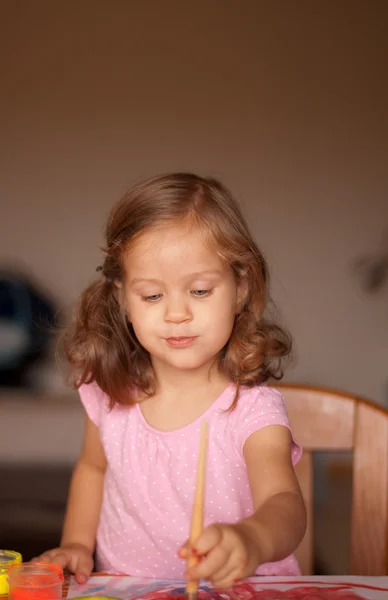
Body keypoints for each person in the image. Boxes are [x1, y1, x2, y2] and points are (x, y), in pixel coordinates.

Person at [36, 173, 306, 588]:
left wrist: (251, 538)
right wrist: (76, 543)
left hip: (241, 591)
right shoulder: (109, 390)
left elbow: (284, 504)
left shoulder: (252, 409)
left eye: (199, 291)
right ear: (124, 298)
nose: (176, 313)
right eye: (152, 295)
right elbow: (93, 468)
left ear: (240, 289)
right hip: (123, 589)